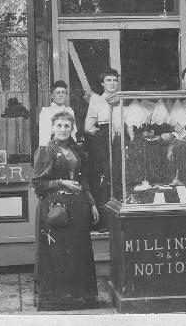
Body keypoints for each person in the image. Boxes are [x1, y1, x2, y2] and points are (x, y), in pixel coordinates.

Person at [32, 111, 99, 310]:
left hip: (77, 207)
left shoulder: (74, 150)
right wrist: (63, 182)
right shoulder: (46, 150)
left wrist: (91, 202)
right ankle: (57, 300)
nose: (63, 129)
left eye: (67, 126)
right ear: (53, 128)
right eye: (59, 126)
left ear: (72, 129)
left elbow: (83, 179)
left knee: (77, 251)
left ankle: (79, 297)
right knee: (58, 253)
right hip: (55, 209)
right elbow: (37, 183)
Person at [84, 68, 120, 231]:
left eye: (114, 80)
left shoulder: (122, 100)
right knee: (103, 179)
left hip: (119, 138)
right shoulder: (97, 100)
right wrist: (102, 137)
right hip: (103, 142)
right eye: (108, 80)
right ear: (102, 83)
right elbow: (88, 127)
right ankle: (104, 222)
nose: (112, 83)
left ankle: (118, 220)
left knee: (118, 177)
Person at [38, 80, 77, 146]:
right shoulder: (46, 111)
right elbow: (44, 134)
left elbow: (73, 131)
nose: (61, 95)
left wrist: (73, 146)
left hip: (68, 145)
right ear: (51, 95)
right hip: (52, 146)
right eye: (58, 93)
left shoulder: (69, 111)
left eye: (63, 93)